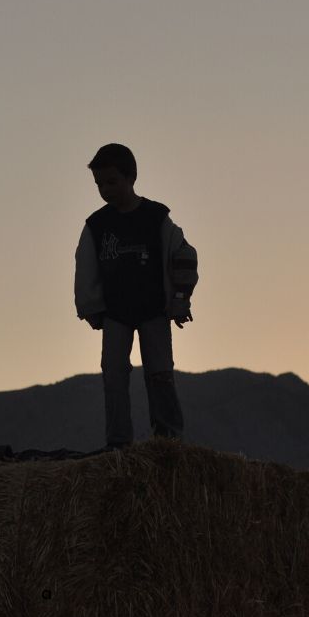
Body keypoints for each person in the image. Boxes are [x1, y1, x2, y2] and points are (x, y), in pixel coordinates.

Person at [74, 143, 199, 450]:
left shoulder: (157, 218)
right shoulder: (97, 225)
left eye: (111, 182)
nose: (105, 189)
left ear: (131, 177)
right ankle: (118, 442)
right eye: (99, 184)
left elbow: (184, 256)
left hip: (154, 310)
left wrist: (181, 298)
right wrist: (90, 306)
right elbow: (85, 265)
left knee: (159, 374)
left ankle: (168, 440)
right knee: (113, 375)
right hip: (115, 313)